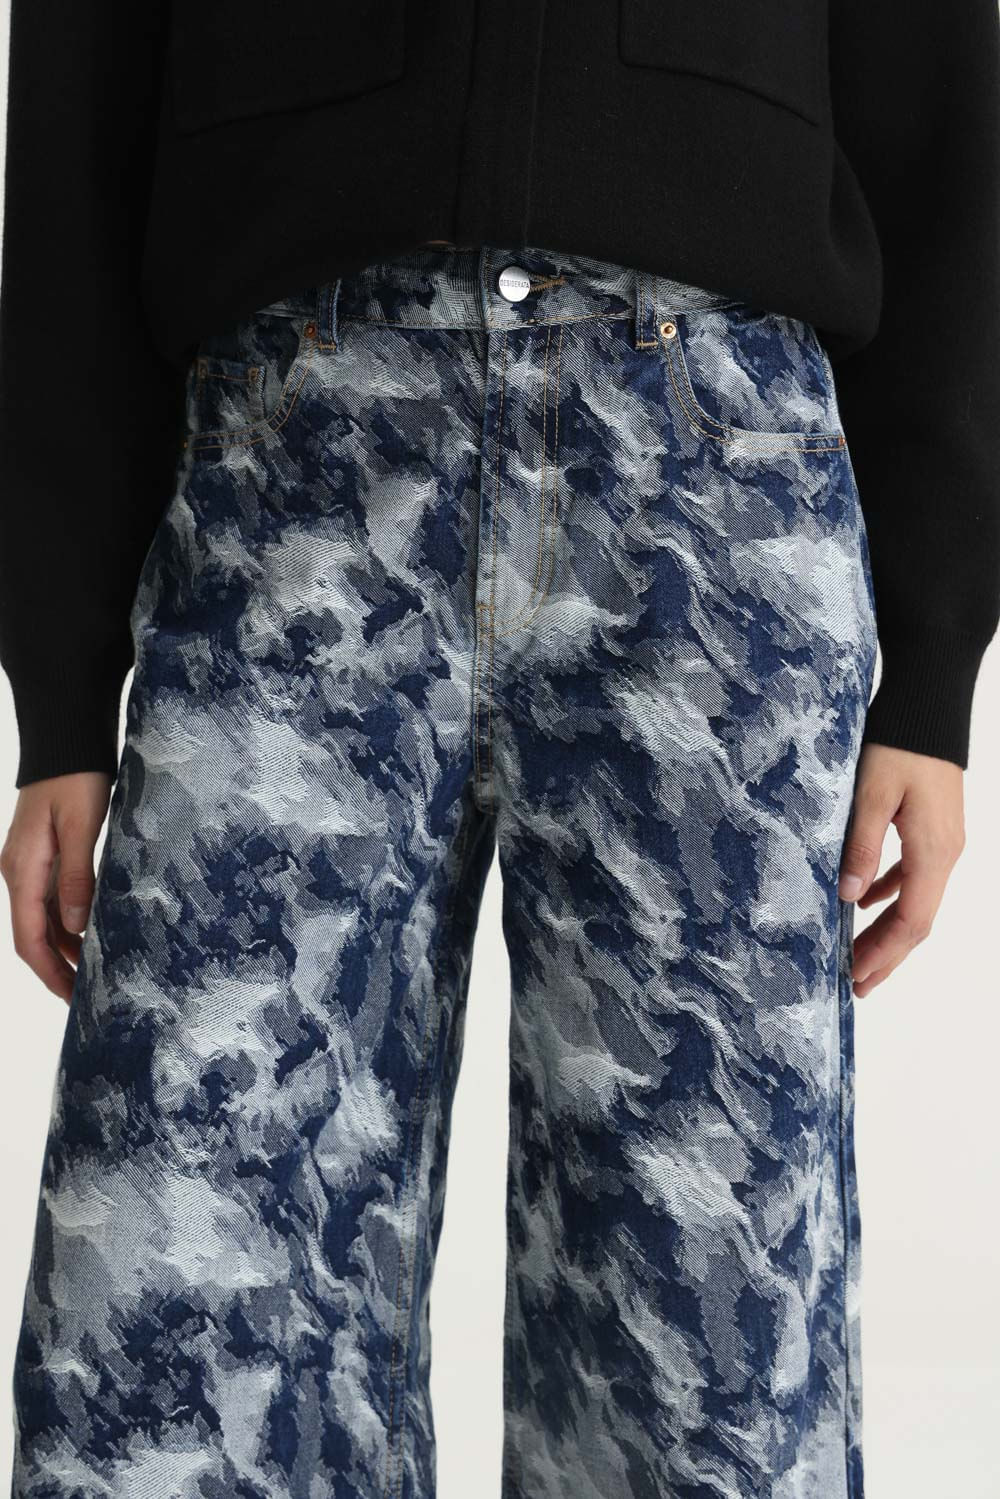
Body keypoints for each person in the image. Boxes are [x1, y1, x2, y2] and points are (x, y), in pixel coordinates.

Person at [0, 4, 996, 1496]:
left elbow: (948, 120)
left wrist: (931, 668)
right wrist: (62, 690)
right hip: (298, 459)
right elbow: (82, 110)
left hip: (707, 485)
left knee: (707, 1346)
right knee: (172, 1310)